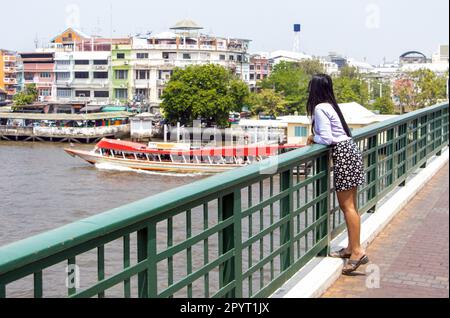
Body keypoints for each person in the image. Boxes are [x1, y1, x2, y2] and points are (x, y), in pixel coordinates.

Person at [306, 74, 369, 275]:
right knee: (351, 205)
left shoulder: (320, 108)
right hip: (349, 151)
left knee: (347, 206)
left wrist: (311, 137)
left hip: (342, 154)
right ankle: (351, 248)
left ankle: (357, 251)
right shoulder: (330, 105)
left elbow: (326, 138)